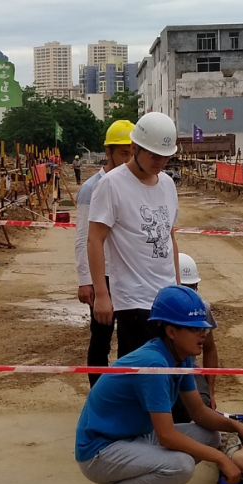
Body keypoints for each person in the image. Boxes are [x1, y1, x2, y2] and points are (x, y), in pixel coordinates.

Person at [75, 285, 243, 484]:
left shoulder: (181, 357)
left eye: (202, 327)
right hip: (99, 450)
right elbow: (167, 436)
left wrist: (240, 426)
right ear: (171, 331)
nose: (203, 334)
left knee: (210, 436)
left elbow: (199, 412)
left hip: (129, 437)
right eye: (194, 329)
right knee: (180, 466)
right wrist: (222, 459)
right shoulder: (155, 365)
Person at [88, 111, 181, 359]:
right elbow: (94, 239)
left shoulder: (167, 185)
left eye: (165, 157)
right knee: (141, 374)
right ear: (134, 147)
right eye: (153, 155)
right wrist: (101, 294)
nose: (160, 162)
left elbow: (170, 238)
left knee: (173, 370)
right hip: (134, 301)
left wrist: (179, 288)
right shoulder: (111, 185)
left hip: (167, 298)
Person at [75, 120, 134, 386]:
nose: (128, 159)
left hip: (130, 274)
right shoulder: (92, 188)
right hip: (105, 275)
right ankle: (98, 395)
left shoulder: (135, 184)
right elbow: (83, 239)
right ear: (108, 153)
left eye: (132, 152)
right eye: (123, 153)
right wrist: (86, 281)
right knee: (101, 337)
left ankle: (123, 393)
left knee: (131, 339)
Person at [172, 252, 219, 421]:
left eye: (193, 289)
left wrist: (210, 391)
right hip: (164, 373)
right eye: (185, 289)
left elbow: (210, 349)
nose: (190, 295)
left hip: (190, 373)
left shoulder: (201, 309)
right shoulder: (162, 311)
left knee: (201, 409)